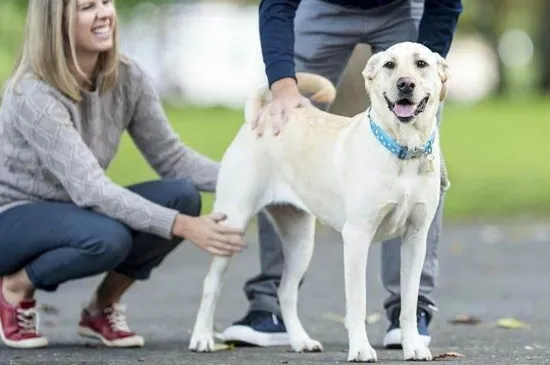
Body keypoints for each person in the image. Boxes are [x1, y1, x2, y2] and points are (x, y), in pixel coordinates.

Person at [0, 0, 244, 349]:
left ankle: (101, 308)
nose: (103, 13)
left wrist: (255, 180)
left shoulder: (127, 76)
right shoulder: (33, 93)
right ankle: (14, 289)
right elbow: (92, 190)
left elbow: (174, 160)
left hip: (77, 210)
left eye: (106, 2)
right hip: (12, 219)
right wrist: (185, 226)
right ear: (56, 23)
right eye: (87, 6)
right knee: (108, 238)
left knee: (182, 196)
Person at [220, 0, 463, 349]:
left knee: (421, 141)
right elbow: (276, 4)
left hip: (401, 9)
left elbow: (445, 5)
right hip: (323, 6)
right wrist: (282, 84)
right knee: (282, 130)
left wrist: (426, 74)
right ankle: (270, 306)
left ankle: (409, 313)